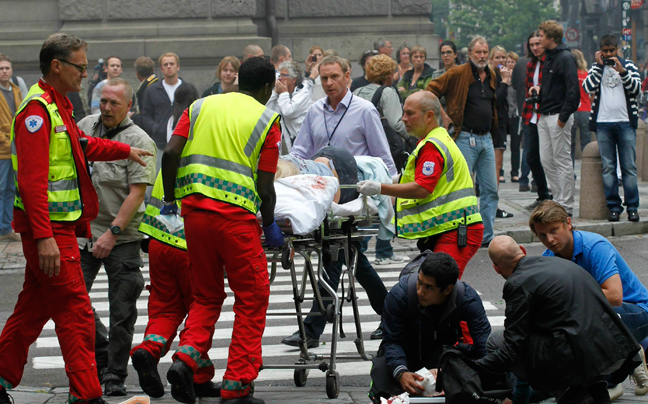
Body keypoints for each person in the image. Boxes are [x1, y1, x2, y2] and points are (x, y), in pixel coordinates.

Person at [0, 32, 152, 404]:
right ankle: (86, 395)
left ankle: (1, 377)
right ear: (57, 66)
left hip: (57, 229)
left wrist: (125, 150)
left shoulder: (57, 105)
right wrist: (45, 237)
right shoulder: (37, 112)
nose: (86, 74)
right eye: (80, 67)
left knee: (32, 311)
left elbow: (80, 147)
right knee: (77, 314)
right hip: (52, 233)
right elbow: (33, 183)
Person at [160, 56, 283, 404]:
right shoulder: (266, 119)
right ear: (266, 87)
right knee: (252, 297)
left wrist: (170, 198)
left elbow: (170, 153)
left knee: (206, 294)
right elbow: (266, 186)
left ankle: (187, 360)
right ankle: (237, 385)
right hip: (235, 221)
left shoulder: (199, 106)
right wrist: (270, 224)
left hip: (194, 215)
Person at [283, 54, 393, 346]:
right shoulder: (315, 110)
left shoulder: (364, 110)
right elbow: (300, 152)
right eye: (324, 78)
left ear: (347, 75)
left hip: (354, 199)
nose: (329, 83)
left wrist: (390, 198)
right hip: (323, 198)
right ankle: (391, 316)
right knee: (350, 257)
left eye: (334, 77)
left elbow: (383, 159)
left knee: (337, 254)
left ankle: (313, 326)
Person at [476, 235, 640, 404]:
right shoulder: (560, 263)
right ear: (522, 250)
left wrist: (474, 367)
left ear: (496, 268)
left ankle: (568, 390)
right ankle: (595, 390)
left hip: (576, 353)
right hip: (611, 344)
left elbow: (512, 346)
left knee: (497, 340)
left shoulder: (517, 283)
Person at [76, 78, 157, 395]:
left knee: (122, 310)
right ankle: (101, 353)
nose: (106, 108)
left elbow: (136, 194)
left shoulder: (141, 141)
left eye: (114, 103)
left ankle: (114, 376)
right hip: (84, 233)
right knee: (73, 300)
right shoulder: (84, 126)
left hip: (121, 236)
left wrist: (112, 233)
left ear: (129, 107)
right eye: (103, 101)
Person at [530, 200, 648, 398]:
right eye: (542, 235)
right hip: (601, 315)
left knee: (585, 320)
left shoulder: (595, 246)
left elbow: (615, 296)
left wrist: (569, 300)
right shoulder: (548, 258)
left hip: (636, 310)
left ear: (568, 223)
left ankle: (613, 379)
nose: (549, 239)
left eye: (554, 230)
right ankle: (630, 353)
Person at [356, 91, 483, 275]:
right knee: (437, 287)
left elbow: (422, 188)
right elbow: (421, 180)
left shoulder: (432, 145)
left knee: (439, 287)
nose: (403, 118)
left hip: (456, 230)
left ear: (429, 115)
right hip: (453, 227)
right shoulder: (435, 139)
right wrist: (389, 181)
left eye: (409, 113)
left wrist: (379, 188)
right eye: (404, 112)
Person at [130, 171, 221, 399]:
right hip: (192, 245)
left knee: (166, 308)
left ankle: (149, 350)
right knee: (201, 309)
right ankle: (186, 364)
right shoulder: (214, 152)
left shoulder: (177, 146)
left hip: (158, 240)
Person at [369, 252, 491, 401]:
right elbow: (392, 341)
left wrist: (451, 372)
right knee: (382, 390)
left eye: (429, 287)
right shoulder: (400, 295)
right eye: (419, 282)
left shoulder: (467, 299)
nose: (420, 291)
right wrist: (401, 373)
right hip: (404, 354)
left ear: (447, 289)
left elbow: (484, 348)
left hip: (443, 356)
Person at [426, 36, 506, 247]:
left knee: (490, 190)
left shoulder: (491, 74)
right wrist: (442, 115)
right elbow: (431, 89)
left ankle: (486, 236)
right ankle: (461, 234)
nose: (482, 56)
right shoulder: (458, 73)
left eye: (484, 52)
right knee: (463, 192)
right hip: (464, 137)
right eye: (478, 52)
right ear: (470, 53)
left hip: (486, 138)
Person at [583, 34, 642, 222]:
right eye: (605, 51)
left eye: (612, 51)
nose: (609, 54)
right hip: (603, 123)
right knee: (608, 168)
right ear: (601, 51)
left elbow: (637, 89)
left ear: (618, 49)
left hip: (625, 122)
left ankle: (632, 207)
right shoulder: (596, 68)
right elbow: (587, 87)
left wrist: (622, 71)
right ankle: (613, 208)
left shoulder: (629, 66)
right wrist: (599, 66)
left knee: (629, 167)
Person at [532, 20, 579, 216]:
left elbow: (573, 90)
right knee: (547, 160)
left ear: (551, 38)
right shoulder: (549, 57)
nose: (539, 38)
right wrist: (540, 92)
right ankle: (558, 199)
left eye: (541, 35)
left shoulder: (565, 57)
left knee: (561, 161)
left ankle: (566, 205)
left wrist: (563, 117)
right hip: (544, 115)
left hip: (557, 116)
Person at [521, 31, 551, 208]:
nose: (535, 48)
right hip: (530, 114)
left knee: (548, 157)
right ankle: (543, 194)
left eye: (538, 44)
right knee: (531, 156)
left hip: (546, 114)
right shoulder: (530, 64)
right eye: (532, 45)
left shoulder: (550, 62)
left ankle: (552, 195)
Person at [266, 61, 316, 152]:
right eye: (279, 75)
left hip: (300, 144)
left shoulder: (303, 92)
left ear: (294, 79)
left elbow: (288, 111)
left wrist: (283, 93)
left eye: (283, 75)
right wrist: (275, 93)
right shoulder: (279, 92)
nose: (279, 79)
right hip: (281, 142)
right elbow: (266, 110)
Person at [0, 54, 22, 242]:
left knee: (10, 189)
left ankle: (6, 227)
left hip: (15, 148)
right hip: (2, 149)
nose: (5, 71)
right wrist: (5, 140)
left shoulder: (15, 90)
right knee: (1, 188)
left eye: (7, 68)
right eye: (1, 69)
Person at [570, 49, 592, 168]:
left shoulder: (570, 75)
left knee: (570, 145)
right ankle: (588, 172)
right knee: (586, 144)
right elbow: (593, 93)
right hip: (585, 111)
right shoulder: (587, 75)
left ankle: (570, 173)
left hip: (572, 111)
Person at [505, 52, 522, 183]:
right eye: (508, 62)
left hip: (515, 114)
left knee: (515, 145)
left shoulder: (519, 77)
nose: (510, 64)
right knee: (500, 145)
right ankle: (499, 172)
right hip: (504, 114)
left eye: (513, 62)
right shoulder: (501, 76)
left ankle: (515, 172)